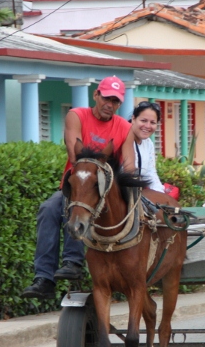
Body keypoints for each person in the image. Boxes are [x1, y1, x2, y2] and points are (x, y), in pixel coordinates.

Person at [22, 77, 132, 299]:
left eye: (115, 101)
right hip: (79, 185)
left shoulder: (125, 127)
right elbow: (75, 154)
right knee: (49, 208)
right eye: (106, 98)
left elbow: (129, 165)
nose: (109, 104)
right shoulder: (77, 116)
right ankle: (44, 278)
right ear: (95, 95)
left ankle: (74, 262)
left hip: (107, 191)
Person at [124, 101, 164, 193]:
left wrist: (160, 194)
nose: (147, 126)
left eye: (153, 122)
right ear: (133, 119)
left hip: (139, 194)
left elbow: (151, 173)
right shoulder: (121, 138)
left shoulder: (148, 143)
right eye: (143, 121)